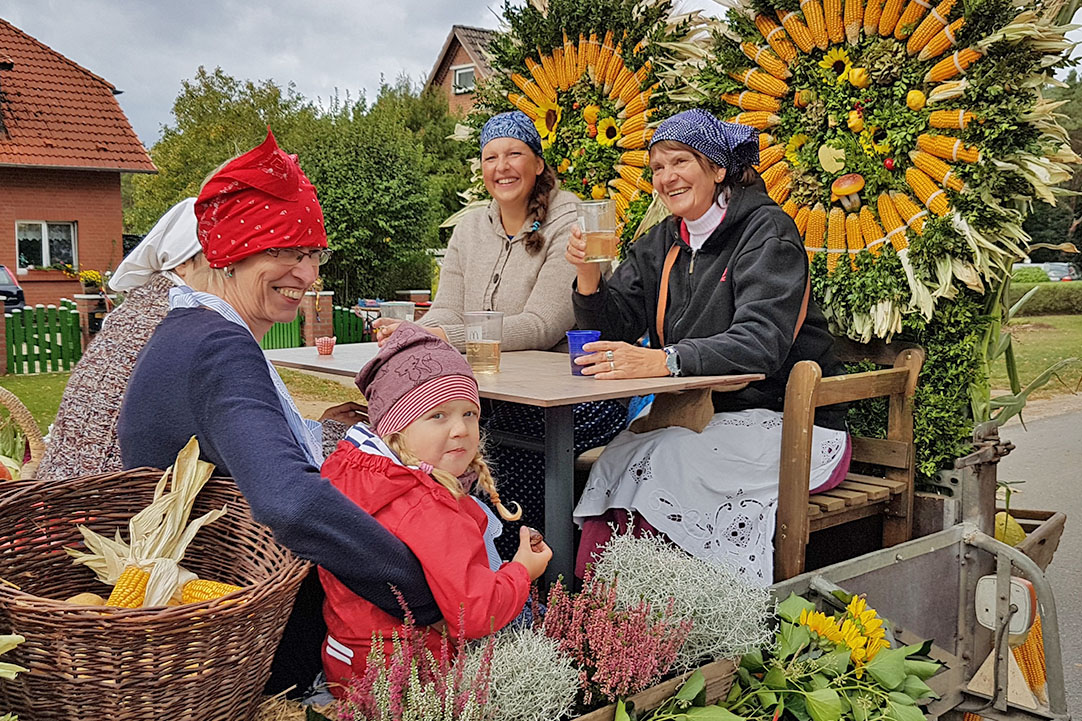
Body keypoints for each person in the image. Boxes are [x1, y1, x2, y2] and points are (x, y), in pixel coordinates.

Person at [116, 130, 438, 693]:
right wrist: (422, 593)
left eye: (312, 254)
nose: (308, 275)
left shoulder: (188, 327)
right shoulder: (220, 346)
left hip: (205, 600)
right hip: (245, 631)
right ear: (231, 252)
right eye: (283, 251)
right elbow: (290, 502)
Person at [566, 109, 851, 584]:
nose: (666, 177)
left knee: (664, 461)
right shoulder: (661, 242)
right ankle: (601, 622)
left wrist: (666, 359)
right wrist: (589, 275)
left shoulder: (767, 232)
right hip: (700, 418)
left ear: (717, 169)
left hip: (791, 425)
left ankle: (683, 622)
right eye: (657, 167)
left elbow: (761, 343)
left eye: (680, 162)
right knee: (615, 460)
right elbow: (611, 332)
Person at [376, 110, 626, 558]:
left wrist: (444, 335)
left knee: (497, 452)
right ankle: (446, 568)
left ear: (538, 163)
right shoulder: (472, 226)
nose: (502, 167)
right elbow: (447, 306)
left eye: (515, 154)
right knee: (415, 436)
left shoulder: (571, 221)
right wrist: (415, 330)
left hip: (572, 395)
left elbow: (543, 324)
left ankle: (530, 580)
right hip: (491, 392)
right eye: (490, 157)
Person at [319, 324, 551, 693]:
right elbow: (473, 614)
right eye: (438, 416)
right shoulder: (429, 507)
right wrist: (523, 570)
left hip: (347, 659)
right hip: (413, 678)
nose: (460, 429)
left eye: (469, 414)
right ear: (396, 429)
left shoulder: (353, 471)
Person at [36, 198, 211, 480]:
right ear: (184, 264)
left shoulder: (142, 306)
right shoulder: (178, 319)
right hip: (106, 505)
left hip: (64, 492)